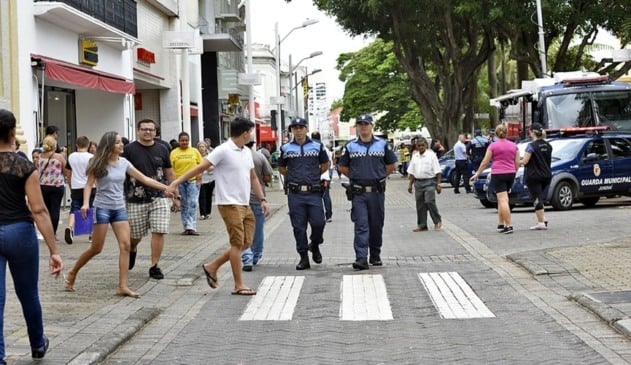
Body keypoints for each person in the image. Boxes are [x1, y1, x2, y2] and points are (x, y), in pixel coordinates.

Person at [167, 117, 270, 296]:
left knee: (247, 242)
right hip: (229, 203)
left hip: (245, 203)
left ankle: (212, 266)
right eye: (250, 132)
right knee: (237, 244)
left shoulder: (246, 151)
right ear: (245, 133)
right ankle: (239, 285)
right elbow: (199, 168)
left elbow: (253, 177)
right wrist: (175, 182)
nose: (251, 135)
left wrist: (262, 199)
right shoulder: (223, 150)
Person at [64, 132, 170, 297]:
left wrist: (167, 188)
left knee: (126, 246)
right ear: (110, 146)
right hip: (102, 208)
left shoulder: (124, 163)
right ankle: (72, 272)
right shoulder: (97, 162)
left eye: (121, 142)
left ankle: (123, 286)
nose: (122, 145)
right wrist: (85, 203)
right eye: (118, 143)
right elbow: (89, 184)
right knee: (96, 248)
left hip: (119, 208)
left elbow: (144, 179)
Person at [0, 109, 63, 362]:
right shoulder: (24, 164)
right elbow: (39, 209)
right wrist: (54, 250)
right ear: (13, 132)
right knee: (28, 293)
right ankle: (37, 343)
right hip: (20, 232)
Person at [338, 114, 397, 270]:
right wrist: (356, 176)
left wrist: (379, 175)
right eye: (360, 124)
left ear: (372, 126)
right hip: (359, 193)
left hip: (377, 192)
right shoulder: (350, 146)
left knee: (376, 224)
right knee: (361, 224)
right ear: (357, 127)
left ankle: (375, 254)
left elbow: (392, 164)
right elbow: (342, 166)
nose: (363, 127)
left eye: (366, 124)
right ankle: (361, 257)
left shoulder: (382, 144)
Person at [122, 119, 179, 280]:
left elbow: (169, 173)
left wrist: (176, 195)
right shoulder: (128, 150)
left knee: (159, 230)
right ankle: (132, 249)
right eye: (144, 129)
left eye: (151, 130)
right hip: (135, 199)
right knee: (135, 235)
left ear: (156, 132)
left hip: (160, 197)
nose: (148, 132)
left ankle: (154, 266)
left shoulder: (163, 148)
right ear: (138, 131)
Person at [277, 118, 330, 270]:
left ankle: (314, 244)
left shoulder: (317, 146)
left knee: (319, 222)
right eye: (295, 128)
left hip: (313, 191)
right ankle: (303, 257)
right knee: (298, 227)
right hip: (295, 193)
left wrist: (313, 174)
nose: (298, 130)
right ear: (292, 130)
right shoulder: (286, 148)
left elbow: (326, 164)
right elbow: (281, 167)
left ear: (307, 129)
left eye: (301, 127)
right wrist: (293, 176)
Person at [470, 124, 520, 234]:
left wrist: (478, 173)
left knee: (502, 199)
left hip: (498, 173)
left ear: (496, 134)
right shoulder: (514, 146)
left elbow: (485, 162)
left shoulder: (493, 146)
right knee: (501, 198)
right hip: (510, 173)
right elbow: (517, 162)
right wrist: (515, 172)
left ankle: (509, 225)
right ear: (507, 133)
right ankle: (501, 223)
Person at [240, 137, 273, 271]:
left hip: (240, 198)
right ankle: (255, 255)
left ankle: (246, 257)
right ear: (253, 144)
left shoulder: (237, 157)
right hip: (257, 198)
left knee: (242, 229)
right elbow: (267, 176)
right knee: (258, 229)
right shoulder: (260, 157)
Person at [63, 136, 94, 244]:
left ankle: (70, 227)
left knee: (75, 208)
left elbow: (68, 173)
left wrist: (70, 185)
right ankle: (91, 234)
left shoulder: (71, 157)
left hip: (76, 186)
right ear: (88, 145)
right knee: (91, 208)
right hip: (90, 186)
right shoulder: (91, 157)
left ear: (76, 144)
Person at [407, 137, 442, 231]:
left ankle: (437, 220)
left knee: (429, 201)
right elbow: (412, 172)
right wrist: (410, 184)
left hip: (430, 182)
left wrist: (439, 184)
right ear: (416, 146)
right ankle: (422, 225)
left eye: (423, 145)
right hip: (418, 183)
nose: (421, 147)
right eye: (419, 145)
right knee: (420, 204)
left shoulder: (431, 156)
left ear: (426, 145)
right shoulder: (415, 156)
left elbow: (438, 171)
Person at [170, 132, 203, 235]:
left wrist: (199, 177)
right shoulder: (174, 153)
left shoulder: (195, 151)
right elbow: (171, 169)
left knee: (193, 202)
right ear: (179, 141)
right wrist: (174, 183)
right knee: (184, 204)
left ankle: (192, 226)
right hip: (180, 182)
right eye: (182, 140)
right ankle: (186, 227)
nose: (184, 142)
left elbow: (200, 165)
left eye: (186, 140)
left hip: (192, 181)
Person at [521, 123, 552, 230]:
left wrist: (516, 161)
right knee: (539, 196)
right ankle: (543, 218)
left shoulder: (531, 146)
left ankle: (541, 223)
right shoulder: (548, 145)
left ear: (532, 132)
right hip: (546, 175)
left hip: (534, 176)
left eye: (529, 130)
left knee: (536, 198)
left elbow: (525, 161)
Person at [38, 135, 67, 239]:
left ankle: (46, 233)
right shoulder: (59, 157)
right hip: (56, 186)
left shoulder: (40, 156)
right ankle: (53, 234)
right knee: (55, 210)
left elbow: (37, 170)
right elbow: (66, 171)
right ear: (54, 145)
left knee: (46, 210)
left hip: (43, 186)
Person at [311, 131, 333, 222]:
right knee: (326, 196)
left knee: (315, 197)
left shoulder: (311, 148)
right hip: (325, 176)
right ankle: (329, 215)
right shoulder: (326, 149)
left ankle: (317, 216)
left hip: (314, 177)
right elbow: (329, 163)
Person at [196, 141, 215, 220]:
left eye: (203, 146)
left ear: (206, 148)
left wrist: (205, 167)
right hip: (201, 179)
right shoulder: (196, 156)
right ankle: (202, 213)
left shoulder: (210, 156)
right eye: (200, 146)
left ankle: (208, 212)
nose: (201, 148)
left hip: (210, 178)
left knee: (208, 196)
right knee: (202, 196)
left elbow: (213, 167)